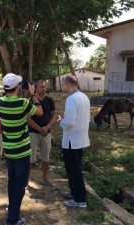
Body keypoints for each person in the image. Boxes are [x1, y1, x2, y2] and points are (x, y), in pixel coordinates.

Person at [0, 73, 43, 225]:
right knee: (20, 185)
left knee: (12, 182)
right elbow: (39, 112)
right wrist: (33, 94)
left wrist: (24, 96)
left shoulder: (0, 102)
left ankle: (13, 211)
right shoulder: (23, 103)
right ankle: (12, 219)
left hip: (9, 151)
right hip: (22, 152)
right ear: (17, 87)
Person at [57, 75, 90, 208]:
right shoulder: (84, 97)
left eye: (63, 84)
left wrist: (60, 122)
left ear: (68, 84)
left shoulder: (71, 99)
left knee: (73, 169)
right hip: (80, 138)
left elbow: (69, 122)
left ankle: (80, 199)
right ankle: (74, 192)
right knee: (75, 168)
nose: (63, 86)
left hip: (72, 140)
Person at [27, 80, 57, 187]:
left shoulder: (49, 100)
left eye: (45, 87)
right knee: (30, 159)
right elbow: (28, 118)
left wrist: (47, 127)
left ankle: (44, 178)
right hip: (32, 133)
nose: (44, 89)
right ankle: (27, 180)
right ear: (35, 88)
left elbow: (54, 115)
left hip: (46, 133)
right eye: (41, 87)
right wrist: (39, 128)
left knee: (45, 158)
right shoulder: (30, 101)